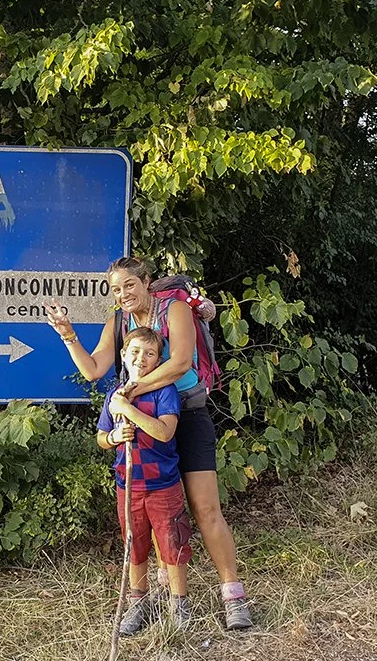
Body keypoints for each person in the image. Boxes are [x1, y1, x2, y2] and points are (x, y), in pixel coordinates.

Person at [47, 255, 253, 630]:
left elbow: (180, 365)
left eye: (129, 284)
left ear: (145, 281)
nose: (123, 294)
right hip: (142, 423)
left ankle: (233, 595)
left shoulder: (173, 309)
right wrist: (68, 335)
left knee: (206, 509)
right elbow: (94, 369)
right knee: (158, 511)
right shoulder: (119, 322)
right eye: (115, 289)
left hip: (187, 414)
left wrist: (127, 392)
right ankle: (162, 595)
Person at [98, 327, 192, 634]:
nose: (142, 358)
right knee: (134, 546)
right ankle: (138, 604)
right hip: (128, 484)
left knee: (172, 543)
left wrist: (128, 410)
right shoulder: (114, 394)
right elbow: (101, 437)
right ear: (124, 355)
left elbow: (165, 432)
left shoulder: (164, 392)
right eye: (135, 352)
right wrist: (113, 436)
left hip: (162, 485)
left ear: (158, 361)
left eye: (150, 354)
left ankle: (179, 605)